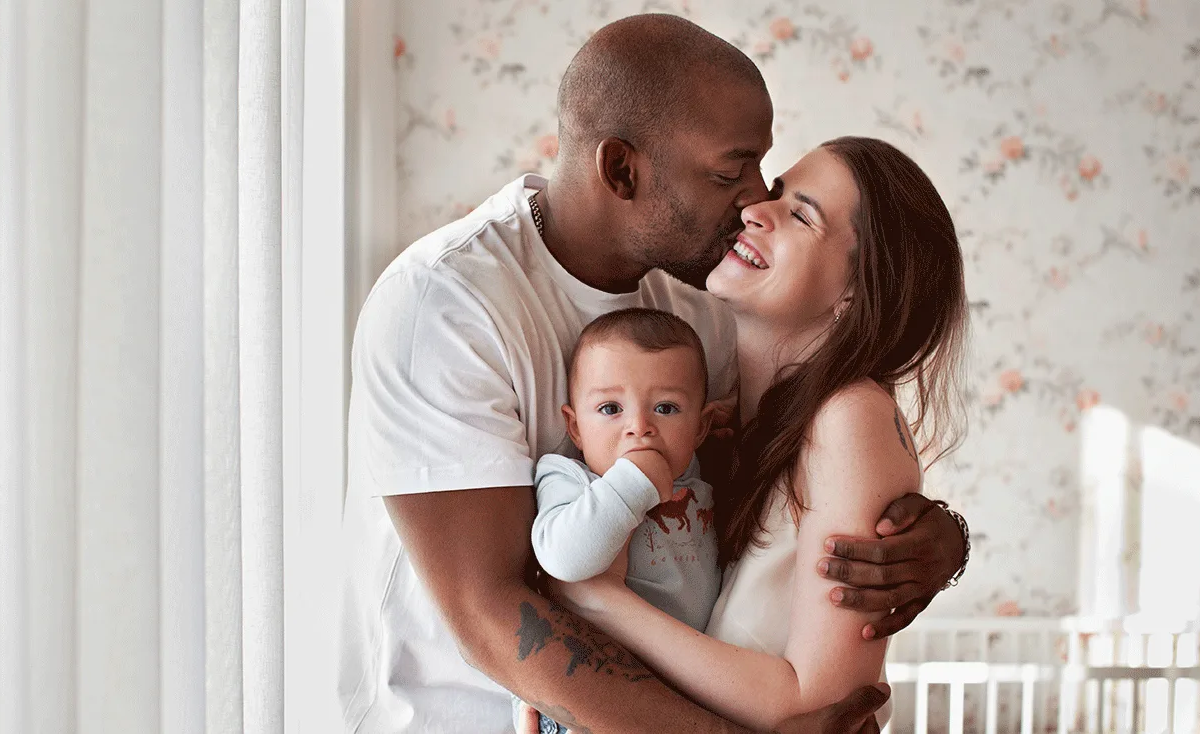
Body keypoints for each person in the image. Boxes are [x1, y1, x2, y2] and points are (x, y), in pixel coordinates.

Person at [338, 14, 970, 733]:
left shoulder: (703, 304)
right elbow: (493, 616)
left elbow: (802, 468)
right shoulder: (448, 303)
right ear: (621, 170)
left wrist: (938, 537)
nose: (753, 201)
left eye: (767, 171)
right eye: (731, 172)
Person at [544, 137, 970, 732]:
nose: (753, 210)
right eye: (774, 194)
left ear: (856, 291)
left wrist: (600, 602)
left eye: (799, 215)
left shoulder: (850, 418)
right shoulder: (711, 393)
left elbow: (821, 702)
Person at [521, 308, 724, 734]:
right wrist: (635, 482)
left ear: (702, 428)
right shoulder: (570, 478)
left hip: (683, 695)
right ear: (575, 428)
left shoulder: (702, 479)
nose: (639, 428)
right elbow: (564, 560)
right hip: (592, 700)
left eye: (666, 408)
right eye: (611, 408)